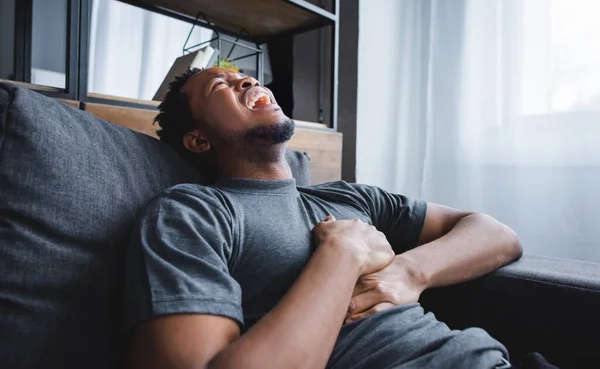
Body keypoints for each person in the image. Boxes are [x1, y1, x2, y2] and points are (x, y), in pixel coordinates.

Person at [123, 67, 525, 369]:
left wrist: (408, 273)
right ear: (199, 139)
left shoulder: (349, 196)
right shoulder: (192, 212)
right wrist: (342, 252)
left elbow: (496, 234)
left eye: (244, 77)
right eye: (221, 86)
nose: (246, 82)